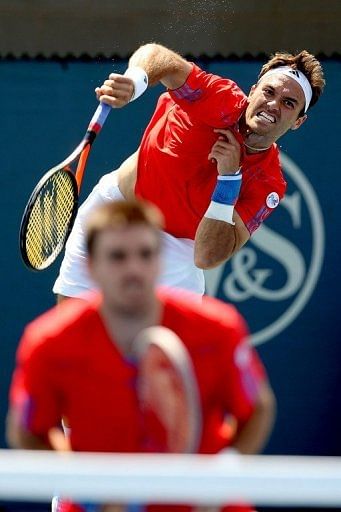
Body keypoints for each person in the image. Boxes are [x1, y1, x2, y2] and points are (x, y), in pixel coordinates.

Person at [8, 199, 275, 512]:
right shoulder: (49, 341)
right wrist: (85, 488)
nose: (134, 268)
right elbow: (27, 431)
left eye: (145, 254)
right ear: (91, 266)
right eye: (118, 256)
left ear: (160, 261)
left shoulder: (218, 329)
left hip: (203, 503)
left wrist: (221, 475)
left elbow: (257, 409)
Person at [53, 43, 325, 300]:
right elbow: (159, 56)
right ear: (253, 90)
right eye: (269, 92)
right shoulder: (218, 97)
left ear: (298, 121)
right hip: (114, 211)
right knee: (75, 338)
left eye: (289, 103)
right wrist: (135, 82)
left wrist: (229, 180)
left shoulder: (269, 184)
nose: (274, 104)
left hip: (178, 253)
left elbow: (207, 257)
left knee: (166, 350)